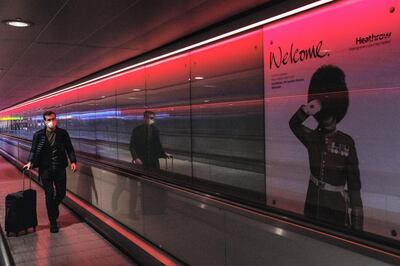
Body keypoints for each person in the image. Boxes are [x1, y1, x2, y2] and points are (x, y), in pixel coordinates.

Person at [289, 65, 363, 231]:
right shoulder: (313, 138)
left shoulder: (346, 142)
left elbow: (354, 190)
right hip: (312, 204)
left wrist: (358, 230)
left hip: (334, 209)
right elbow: (293, 124)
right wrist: (309, 108)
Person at [23, 111, 77, 233]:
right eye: (48, 120)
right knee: (49, 194)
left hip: (59, 168)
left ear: (56, 119)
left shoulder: (63, 133)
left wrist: (73, 161)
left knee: (61, 193)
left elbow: (69, 148)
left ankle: (53, 207)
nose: (51, 122)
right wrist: (30, 162)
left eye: (53, 119)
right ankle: (53, 223)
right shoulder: (39, 135)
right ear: (44, 121)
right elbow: (33, 150)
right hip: (45, 169)